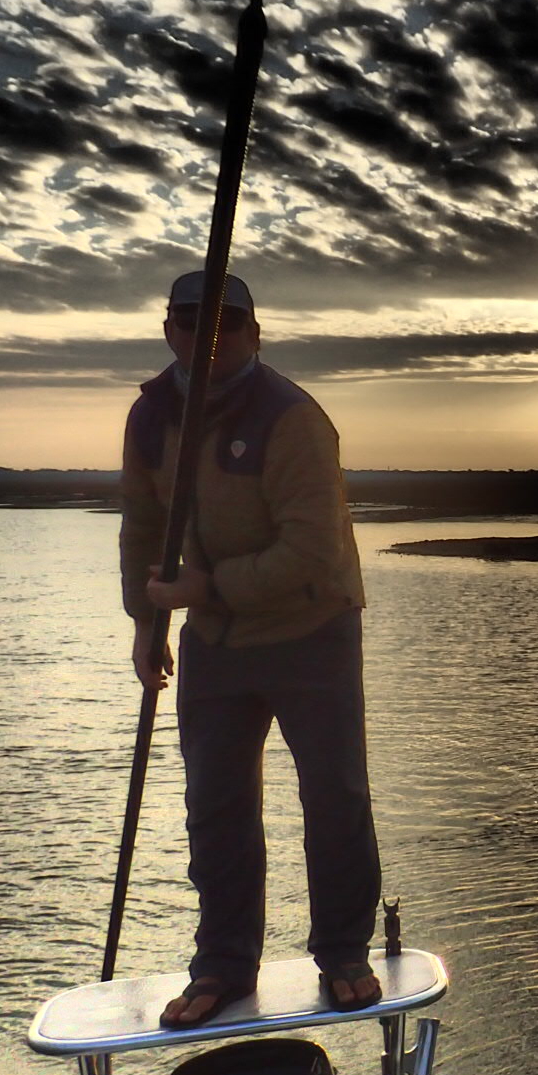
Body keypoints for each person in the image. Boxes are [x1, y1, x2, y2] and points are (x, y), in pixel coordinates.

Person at [121, 269, 382, 1028]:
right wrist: (147, 622)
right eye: (190, 322)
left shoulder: (293, 418)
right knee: (215, 805)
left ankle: (342, 954)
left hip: (312, 632)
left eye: (225, 326)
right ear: (167, 329)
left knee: (334, 798)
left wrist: (203, 589)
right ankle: (225, 969)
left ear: (253, 334)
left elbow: (311, 551)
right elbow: (142, 525)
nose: (207, 338)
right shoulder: (149, 417)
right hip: (215, 643)